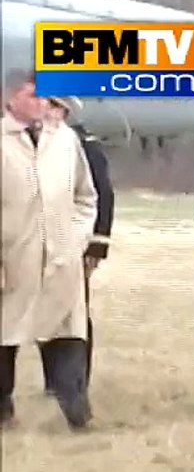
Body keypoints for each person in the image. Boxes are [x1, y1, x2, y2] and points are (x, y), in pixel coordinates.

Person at [1, 69, 97, 430]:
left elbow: (86, 197)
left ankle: (76, 413)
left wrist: (77, 239)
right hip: (12, 258)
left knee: (66, 334)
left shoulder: (66, 141)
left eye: (45, 96)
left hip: (60, 258)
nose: (41, 103)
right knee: (5, 334)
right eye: (31, 95)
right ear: (10, 99)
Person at [40, 96, 114, 395]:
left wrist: (96, 245)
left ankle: (74, 383)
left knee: (71, 315)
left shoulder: (84, 144)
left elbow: (102, 196)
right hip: (30, 244)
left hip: (73, 244)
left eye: (51, 105)